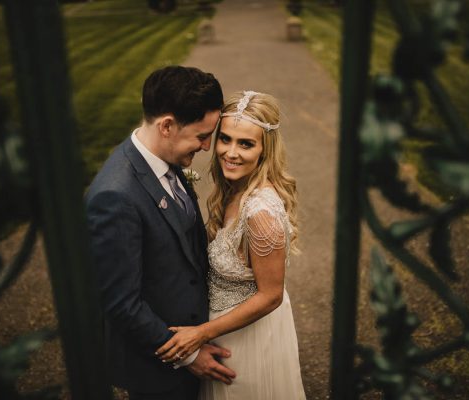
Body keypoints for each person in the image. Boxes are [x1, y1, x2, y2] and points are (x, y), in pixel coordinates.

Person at [85, 66, 236, 400]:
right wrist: (190, 355)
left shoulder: (164, 159)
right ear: (167, 125)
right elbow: (122, 303)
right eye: (201, 136)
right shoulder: (115, 197)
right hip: (159, 369)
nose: (208, 147)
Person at [156, 90, 306, 399]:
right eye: (225, 139)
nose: (231, 152)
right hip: (226, 331)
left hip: (247, 340)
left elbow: (271, 296)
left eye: (246, 144)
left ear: (265, 150)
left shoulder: (260, 212)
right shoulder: (234, 188)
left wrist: (200, 334)